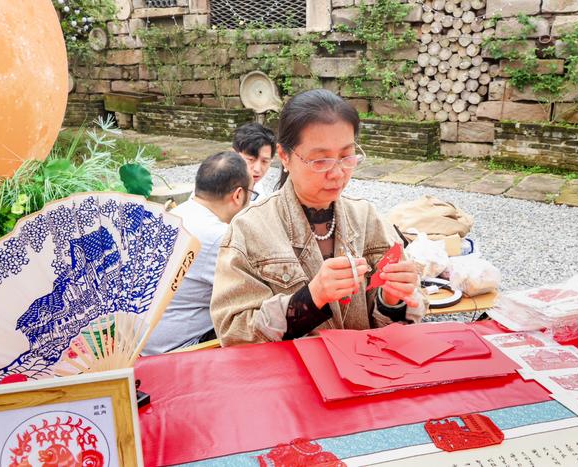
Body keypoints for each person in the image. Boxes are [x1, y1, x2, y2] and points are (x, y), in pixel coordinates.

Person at [210, 89, 427, 346]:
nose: (337, 173)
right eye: (320, 160)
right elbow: (233, 332)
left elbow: (402, 321)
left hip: (366, 374)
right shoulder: (249, 229)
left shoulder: (367, 218)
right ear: (284, 156)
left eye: (346, 156)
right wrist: (311, 298)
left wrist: (392, 300)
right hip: (294, 379)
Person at [143, 151, 257, 355]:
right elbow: (254, 290)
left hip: (143, 342)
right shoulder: (217, 236)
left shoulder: (176, 214)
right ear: (238, 195)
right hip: (177, 349)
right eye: (252, 193)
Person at [232, 123, 276, 201]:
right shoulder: (218, 192)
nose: (257, 169)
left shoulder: (260, 191)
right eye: (250, 160)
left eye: (265, 161)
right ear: (234, 154)